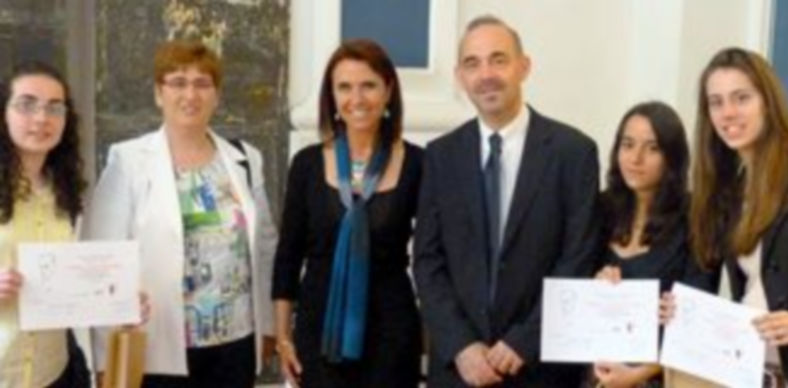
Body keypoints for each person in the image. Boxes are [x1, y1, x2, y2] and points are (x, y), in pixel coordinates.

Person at [413, 15, 600, 387]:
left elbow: (577, 259)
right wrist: (462, 346)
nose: (486, 74)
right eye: (472, 63)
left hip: (541, 368)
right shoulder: (440, 156)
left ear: (523, 67)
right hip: (459, 371)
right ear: (459, 76)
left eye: (498, 59)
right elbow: (428, 262)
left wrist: (524, 340)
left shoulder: (573, 152)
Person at [81, 39, 278, 387]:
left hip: (235, 344)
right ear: (159, 93)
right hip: (156, 346)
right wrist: (103, 357)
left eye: (203, 83)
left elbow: (264, 249)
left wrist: (269, 328)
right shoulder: (127, 162)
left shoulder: (246, 159)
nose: (191, 94)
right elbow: (102, 261)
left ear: (216, 95)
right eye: (178, 82)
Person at [271, 39, 423, 388]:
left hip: (392, 336)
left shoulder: (419, 164)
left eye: (368, 85)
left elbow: (432, 256)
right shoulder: (307, 164)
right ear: (332, 98)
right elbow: (288, 258)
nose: (357, 98)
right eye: (344, 87)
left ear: (388, 91)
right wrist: (282, 337)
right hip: (319, 333)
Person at [682, 47, 788, 387]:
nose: (727, 113)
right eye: (716, 102)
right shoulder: (729, 189)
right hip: (749, 372)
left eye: (741, 98)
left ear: (768, 101)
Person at [591, 102, 703, 388]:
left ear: (672, 158)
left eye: (652, 148)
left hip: (660, 377)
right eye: (627, 145)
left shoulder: (695, 217)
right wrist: (593, 286)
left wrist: (638, 374)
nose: (635, 158)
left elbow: (698, 320)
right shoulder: (600, 209)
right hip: (594, 370)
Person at [0, 61, 89, 387]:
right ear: (3, 113)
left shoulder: (66, 192)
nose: (41, 118)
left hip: (55, 372)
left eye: (55, 108)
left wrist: (119, 297)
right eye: (26, 105)